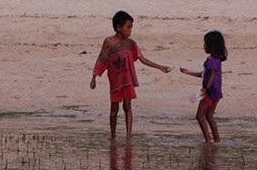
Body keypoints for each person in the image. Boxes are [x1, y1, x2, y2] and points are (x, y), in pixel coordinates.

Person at [90, 11, 171, 139]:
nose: (130, 30)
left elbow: (142, 59)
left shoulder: (131, 43)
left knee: (127, 106)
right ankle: (113, 136)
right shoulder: (109, 42)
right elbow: (102, 60)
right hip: (115, 80)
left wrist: (160, 67)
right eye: (128, 27)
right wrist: (94, 77)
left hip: (127, 80)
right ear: (118, 28)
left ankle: (128, 136)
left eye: (131, 27)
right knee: (114, 109)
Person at [180, 30, 227, 143]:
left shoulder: (211, 61)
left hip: (209, 93)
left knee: (200, 116)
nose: (204, 46)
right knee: (209, 116)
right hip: (216, 93)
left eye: (205, 44)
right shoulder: (216, 60)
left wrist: (206, 89)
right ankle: (217, 140)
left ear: (211, 46)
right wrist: (188, 72)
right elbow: (204, 74)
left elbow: (211, 76)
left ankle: (208, 140)